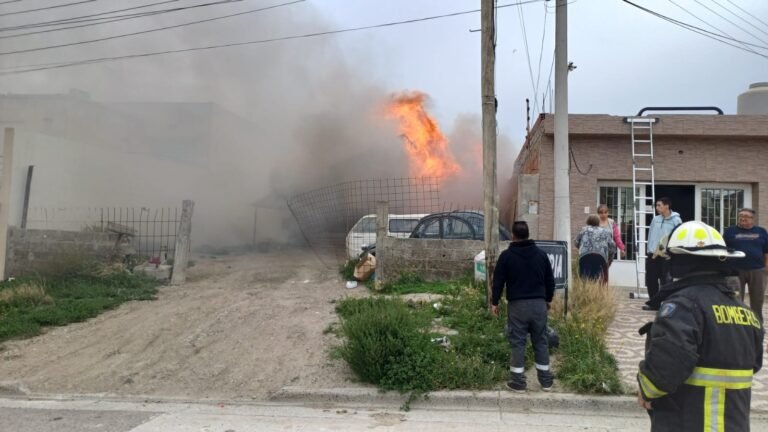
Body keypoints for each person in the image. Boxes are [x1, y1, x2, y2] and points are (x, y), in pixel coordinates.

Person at [637, 220, 763, 432]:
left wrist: (646, 390)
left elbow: (666, 366)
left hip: (691, 422)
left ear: (681, 261)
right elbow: (755, 364)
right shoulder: (745, 312)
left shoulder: (682, 306)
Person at [490, 221, 555, 393]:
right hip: (539, 305)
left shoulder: (507, 256)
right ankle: (546, 381)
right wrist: (548, 299)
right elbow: (550, 280)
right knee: (541, 341)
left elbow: (498, 281)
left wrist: (494, 302)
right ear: (528, 234)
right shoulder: (541, 255)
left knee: (518, 342)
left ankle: (518, 382)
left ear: (513, 235)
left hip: (517, 306)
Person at [723, 207, 768, 323]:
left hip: (757, 270)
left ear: (753, 219)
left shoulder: (761, 232)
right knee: (735, 298)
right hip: (735, 270)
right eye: (741, 216)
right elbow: (723, 250)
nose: (743, 218)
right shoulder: (729, 231)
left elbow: (766, 251)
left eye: (746, 216)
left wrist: (766, 267)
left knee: (757, 299)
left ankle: (756, 322)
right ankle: (737, 323)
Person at [643, 197, 682, 311]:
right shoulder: (655, 219)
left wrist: (673, 253)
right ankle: (654, 304)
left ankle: (666, 304)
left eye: (659, 205)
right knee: (651, 279)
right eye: (656, 205)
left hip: (666, 255)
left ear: (667, 206)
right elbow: (650, 235)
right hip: (653, 254)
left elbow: (678, 237)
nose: (657, 207)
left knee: (666, 281)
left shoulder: (676, 220)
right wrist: (649, 250)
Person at [575, 214, 616, 282]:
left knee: (584, 279)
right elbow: (613, 247)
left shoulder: (584, 230)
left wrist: (582, 247)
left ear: (588, 221)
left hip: (585, 257)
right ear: (598, 222)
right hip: (600, 257)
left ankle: (585, 291)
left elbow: (576, 243)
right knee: (600, 279)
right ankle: (599, 292)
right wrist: (609, 258)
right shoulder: (605, 231)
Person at [597, 204, 626, 283]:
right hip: (596, 251)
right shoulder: (595, 222)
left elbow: (617, 237)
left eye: (605, 212)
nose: (603, 214)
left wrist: (622, 249)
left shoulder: (611, 223)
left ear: (608, 213)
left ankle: (602, 292)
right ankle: (594, 291)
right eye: (601, 213)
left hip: (609, 252)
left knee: (604, 272)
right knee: (596, 272)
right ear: (598, 213)